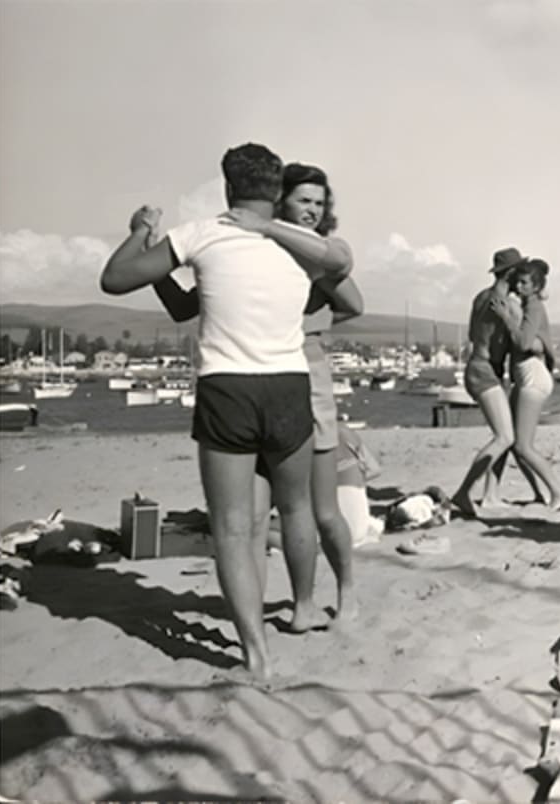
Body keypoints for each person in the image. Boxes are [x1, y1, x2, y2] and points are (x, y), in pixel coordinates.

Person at [100, 143, 352, 677]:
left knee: (235, 529)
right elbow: (343, 265)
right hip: (289, 386)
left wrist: (140, 233)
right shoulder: (303, 246)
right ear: (277, 191)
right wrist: (274, 231)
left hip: (228, 388)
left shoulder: (202, 232)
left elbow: (115, 278)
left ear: (227, 187)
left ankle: (256, 653)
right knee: (298, 509)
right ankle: (304, 607)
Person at [153, 162, 364, 623]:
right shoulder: (244, 245)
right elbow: (185, 306)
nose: (312, 210)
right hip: (258, 385)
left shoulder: (308, 252)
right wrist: (156, 264)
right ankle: (267, 607)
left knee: (323, 511)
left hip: (307, 384)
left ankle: (345, 587)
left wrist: (308, 326)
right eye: (303, 201)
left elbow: (353, 301)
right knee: (253, 516)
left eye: (319, 203)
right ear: (279, 198)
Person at [450, 248, 527, 518]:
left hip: (477, 365)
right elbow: (522, 339)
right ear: (511, 273)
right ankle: (464, 492)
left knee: (503, 437)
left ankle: (491, 495)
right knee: (506, 436)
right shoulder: (508, 305)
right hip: (487, 371)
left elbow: (474, 335)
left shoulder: (481, 298)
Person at [488, 258, 560, 510]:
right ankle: (532, 493)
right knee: (511, 440)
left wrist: (505, 317)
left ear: (535, 287)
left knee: (523, 444)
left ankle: (557, 492)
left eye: (524, 283)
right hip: (526, 375)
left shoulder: (534, 307)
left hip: (533, 376)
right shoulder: (528, 305)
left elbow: (523, 343)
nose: (519, 286)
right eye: (517, 282)